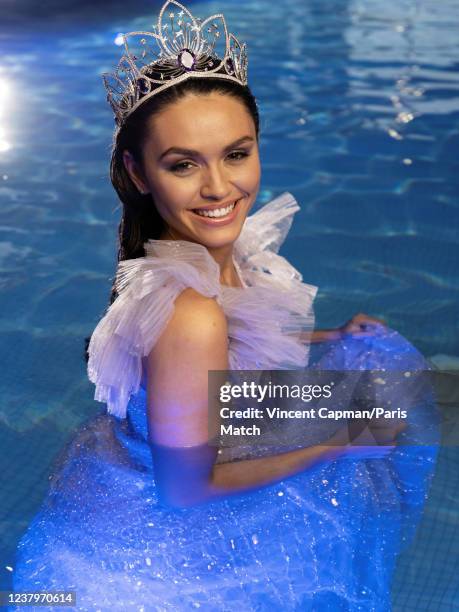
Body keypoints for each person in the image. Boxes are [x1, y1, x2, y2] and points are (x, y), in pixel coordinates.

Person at [10, 1, 439, 610]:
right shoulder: (189, 310)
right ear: (137, 173)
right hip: (168, 562)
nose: (218, 188)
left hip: (178, 458)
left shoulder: (206, 263)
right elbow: (187, 491)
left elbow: (228, 349)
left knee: (373, 363)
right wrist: (336, 442)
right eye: (183, 164)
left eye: (235, 154)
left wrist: (332, 337)